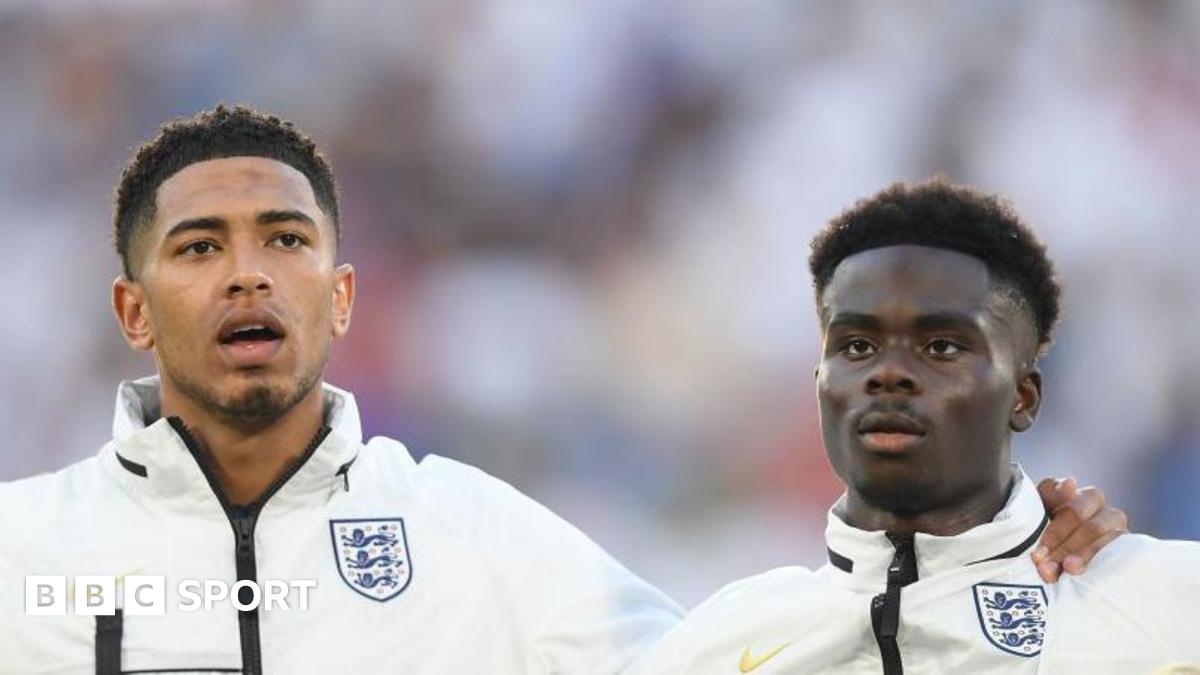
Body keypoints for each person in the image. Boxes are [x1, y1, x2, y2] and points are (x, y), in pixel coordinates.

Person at [0, 108, 1122, 674]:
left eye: (284, 240)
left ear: (342, 297)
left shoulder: (475, 539)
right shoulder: (22, 555)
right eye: (199, 247)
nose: (248, 270)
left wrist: (999, 557)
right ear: (132, 312)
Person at [627, 180, 1199, 675]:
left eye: (941, 345)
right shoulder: (717, 647)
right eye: (856, 345)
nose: (889, 373)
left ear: (1023, 397)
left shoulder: (1165, 604)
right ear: (820, 381)